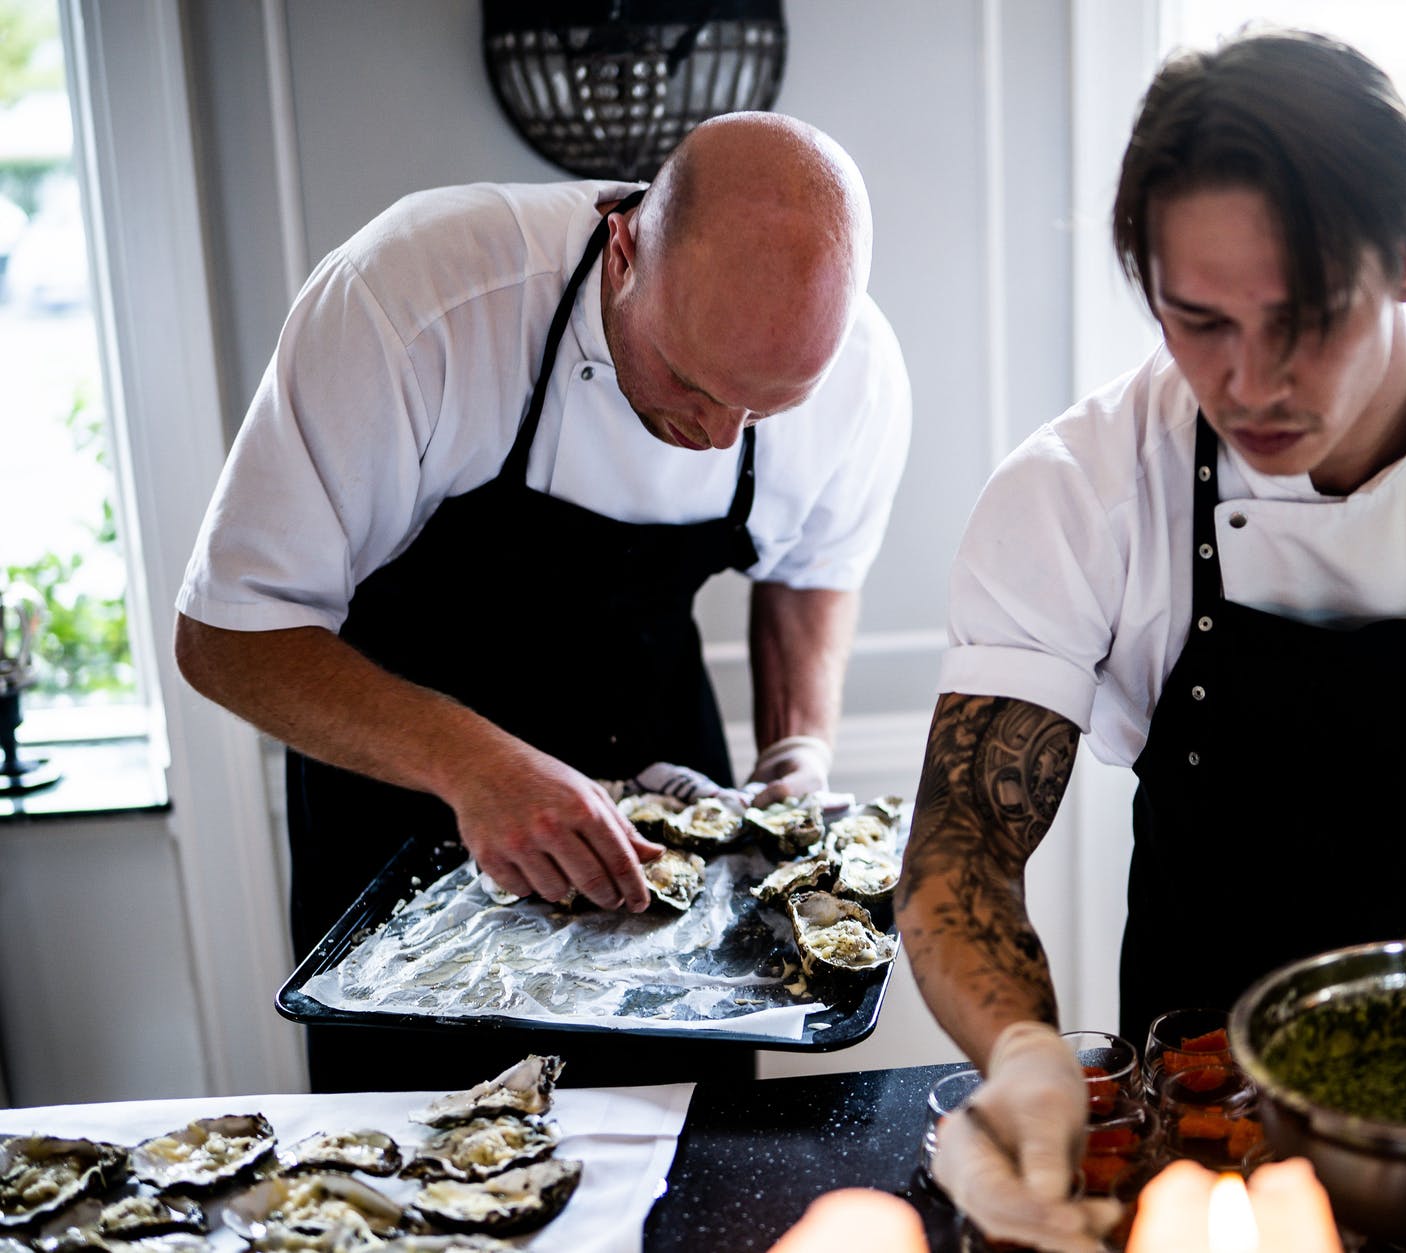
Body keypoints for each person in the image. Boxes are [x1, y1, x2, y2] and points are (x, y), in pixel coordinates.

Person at [898, 28, 1406, 1251]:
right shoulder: (1076, 491)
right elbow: (959, 846)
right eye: (1199, 321)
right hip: (1196, 1105)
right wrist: (1025, 1056)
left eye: (1303, 318)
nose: (1250, 385)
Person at [174, 111, 911, 1091]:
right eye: (691, 383)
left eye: (764, 409)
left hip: (657, 781)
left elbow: (810, 568)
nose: (718, 435)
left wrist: (796, 748)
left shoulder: (859, 372)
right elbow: (227, 635)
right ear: (621, 248)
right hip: (406, 800)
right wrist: (476, 767)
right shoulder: (410, 303)